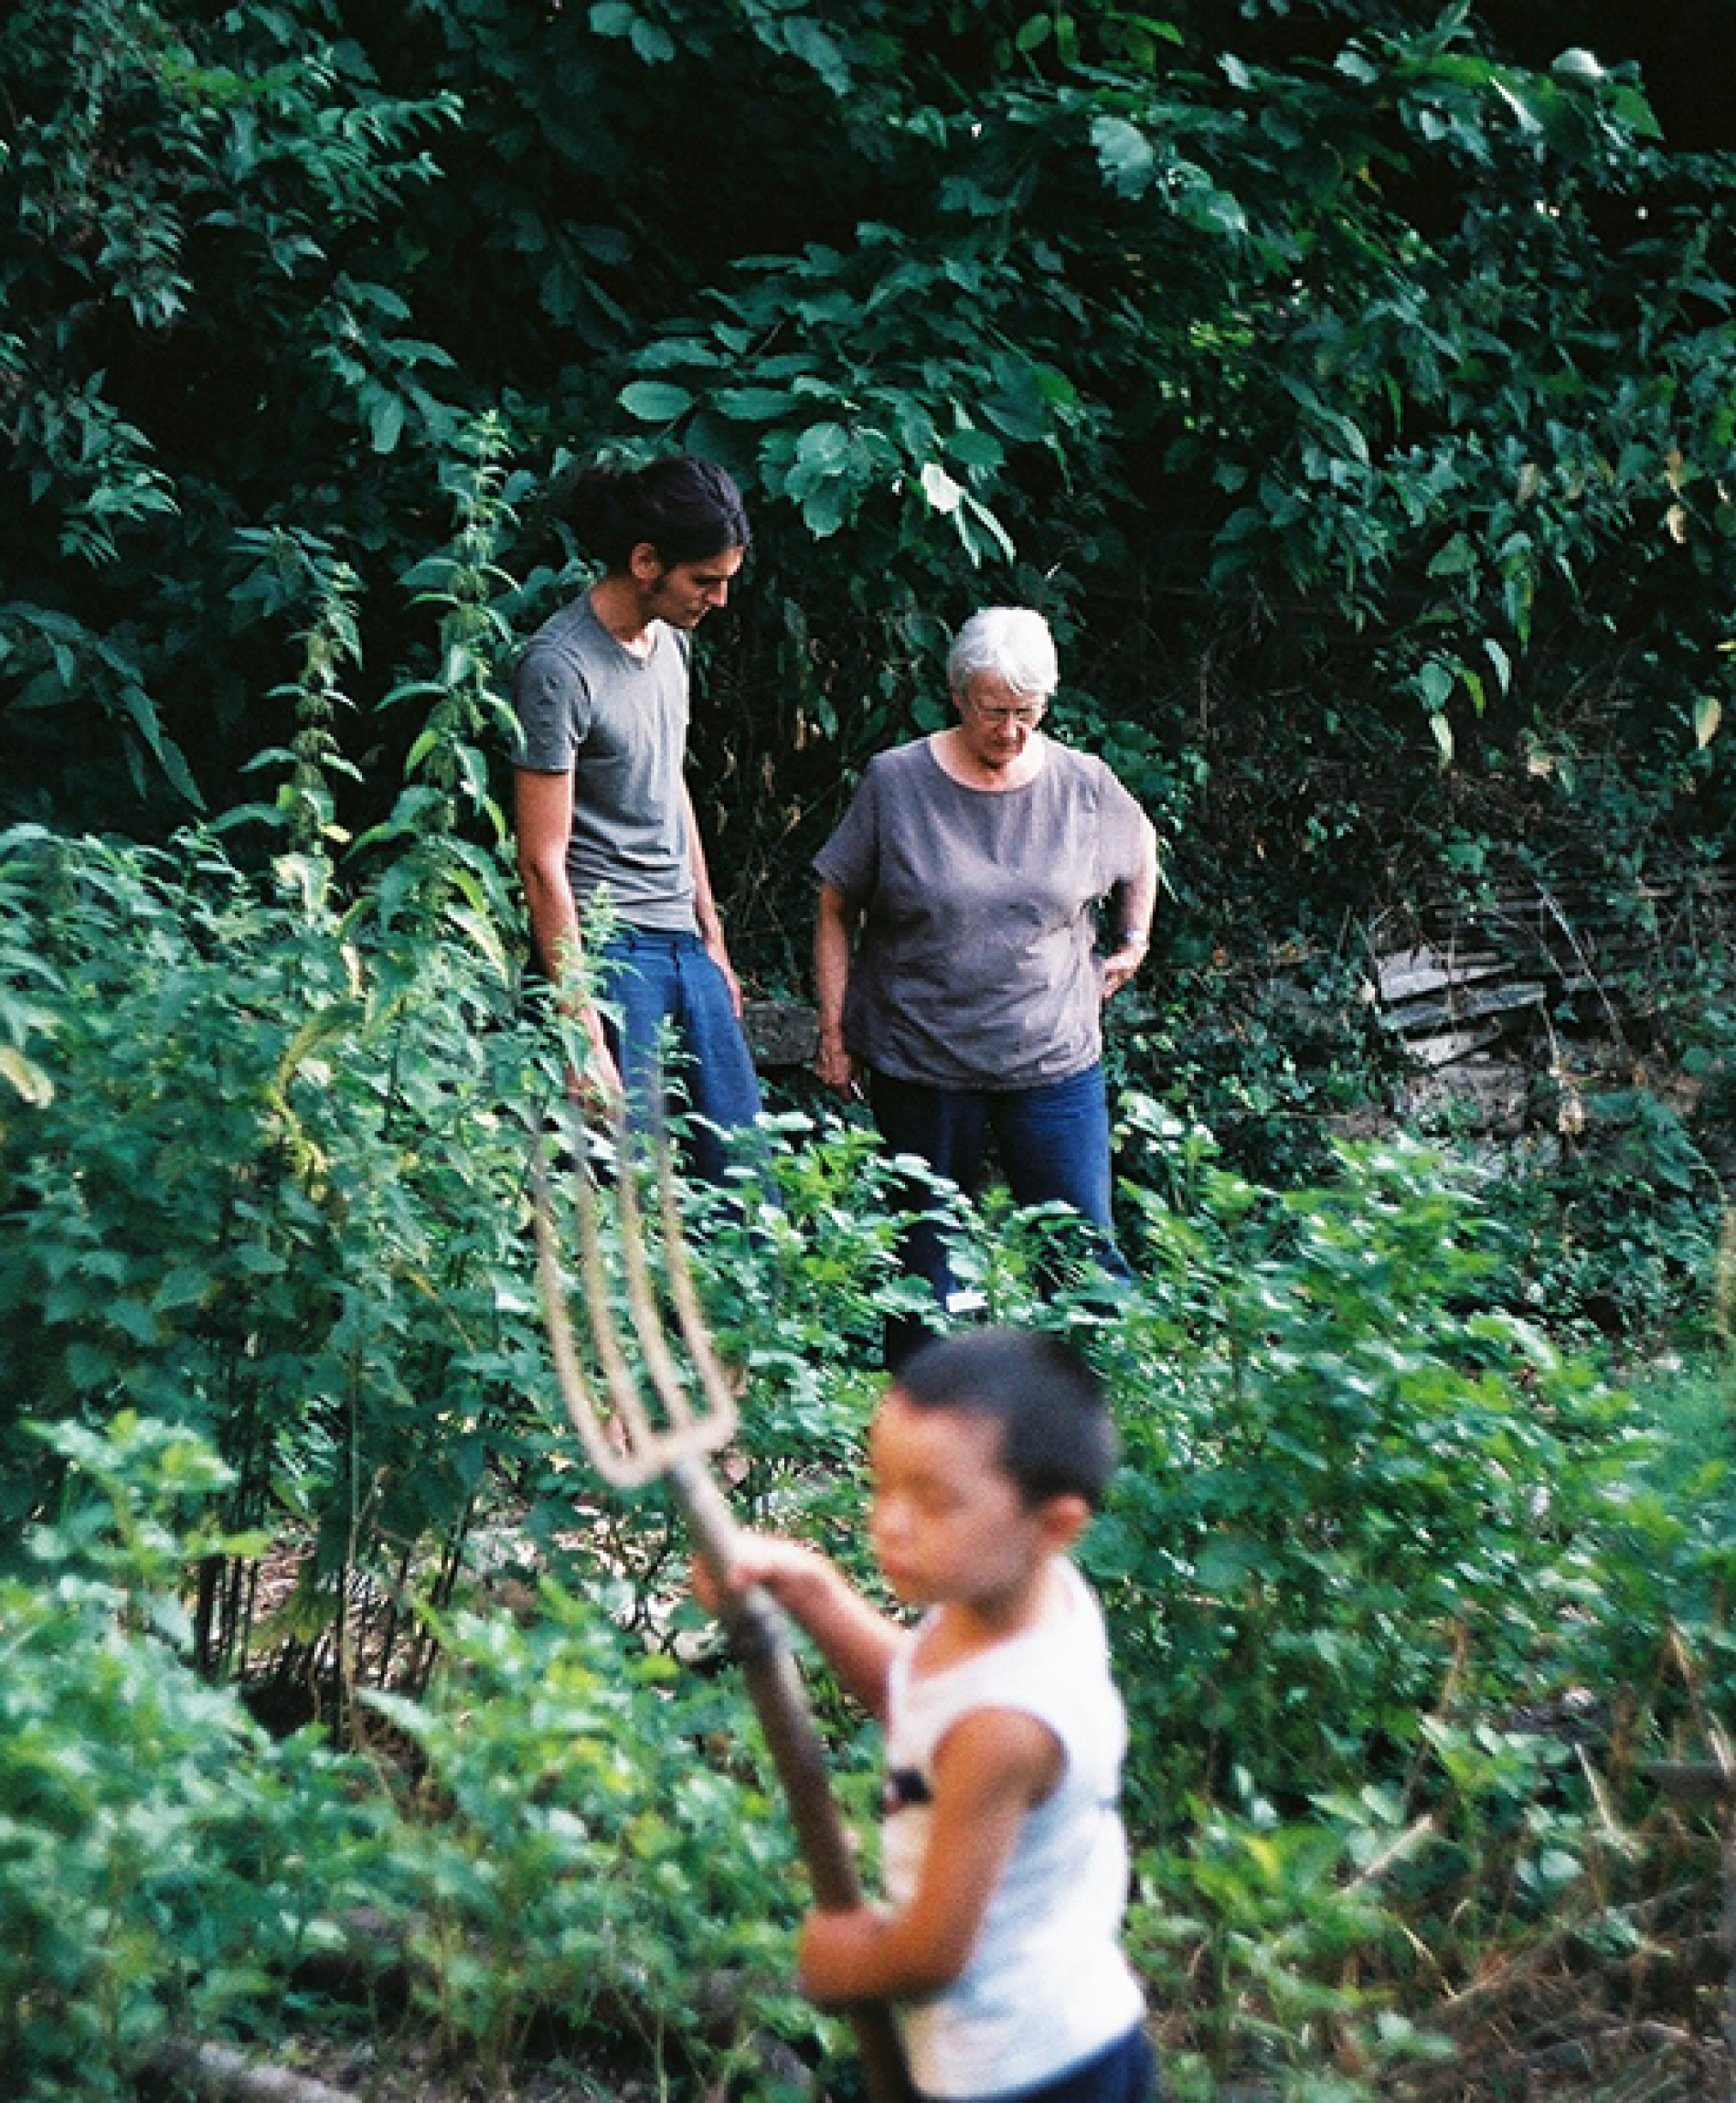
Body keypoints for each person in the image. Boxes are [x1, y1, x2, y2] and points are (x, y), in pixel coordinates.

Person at [700, 1327, 1154, 2103]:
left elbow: (935, 1949)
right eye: (884, 1487)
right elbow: (917, 1702)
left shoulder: (1007, 1727)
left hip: (1023, 2069)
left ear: (1052, 1525)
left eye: (936, 1502)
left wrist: (846, 1961)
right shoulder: (1016, 1604)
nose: (892, 1524)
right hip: (1058, 2031)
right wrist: (815, 1592)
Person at [813, 607, 1156, 1364]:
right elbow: (836, 904)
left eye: (1028, 714)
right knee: (927, 1271)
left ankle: (1086, 1428)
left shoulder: (1083, 785)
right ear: (957, 696)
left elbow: (1142, 846)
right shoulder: (897, 783)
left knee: (1078, 1257)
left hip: (1053, 1062)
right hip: (922, 1062)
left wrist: (1133, 941)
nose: (1011, 731)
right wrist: (833, 1030)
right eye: (995, 712)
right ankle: (927, 1441)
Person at [511, 454, 762, 1181]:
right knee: (622, 1186)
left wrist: (711, 934)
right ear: (645, 560)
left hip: (684, 943)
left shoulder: (671, 643)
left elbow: (669, 781)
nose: (718, 599)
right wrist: (580, 1021)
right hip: (609, 950)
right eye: (704, 581)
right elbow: (540, 861)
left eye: (726, 581)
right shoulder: (559, 666)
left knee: (743, 1186)